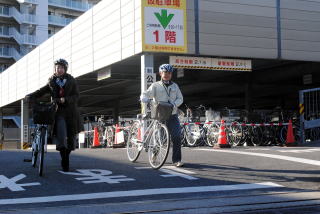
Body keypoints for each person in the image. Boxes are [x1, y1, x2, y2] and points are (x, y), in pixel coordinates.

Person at [27, 59, 82, 172]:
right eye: (57, 67)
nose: (59, 69)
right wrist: (31, 95)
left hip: (71, 113)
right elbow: (42, 91)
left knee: (71, 139)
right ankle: (64, 159)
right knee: (61, 136)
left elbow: (76, 96)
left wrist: (65, 99)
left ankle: (67, 155)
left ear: (65, 69)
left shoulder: (71, 80)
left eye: (61, 67)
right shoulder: (52, 81)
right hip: (58, 112)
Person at [140, 64, 184, 167]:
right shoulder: (155, 85)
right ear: (160, 73)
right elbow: (146, 93)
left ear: (171, 74)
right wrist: (143, 98)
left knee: (177, 136)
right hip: (160, 116)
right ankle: (155, 154)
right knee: (160, 139)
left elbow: (180, 98)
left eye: (169, 73)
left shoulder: (175, 86)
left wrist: (175, 104)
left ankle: (177, 160)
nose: (167, 75)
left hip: (172, 115)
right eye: (165, 72)